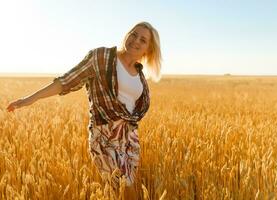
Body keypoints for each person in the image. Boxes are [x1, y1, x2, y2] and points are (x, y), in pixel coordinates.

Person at [7, 21, 162, 199]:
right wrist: (30, 99)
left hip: (129, 138)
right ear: (127, 35)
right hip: (104, 136)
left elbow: (136, 108)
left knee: (125, 190)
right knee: (124, 189)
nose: (136, 40)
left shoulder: (139, 73)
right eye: (134, 34)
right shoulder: (101, 57)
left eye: (143, 40)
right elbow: (67, 81)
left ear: (148, 50)